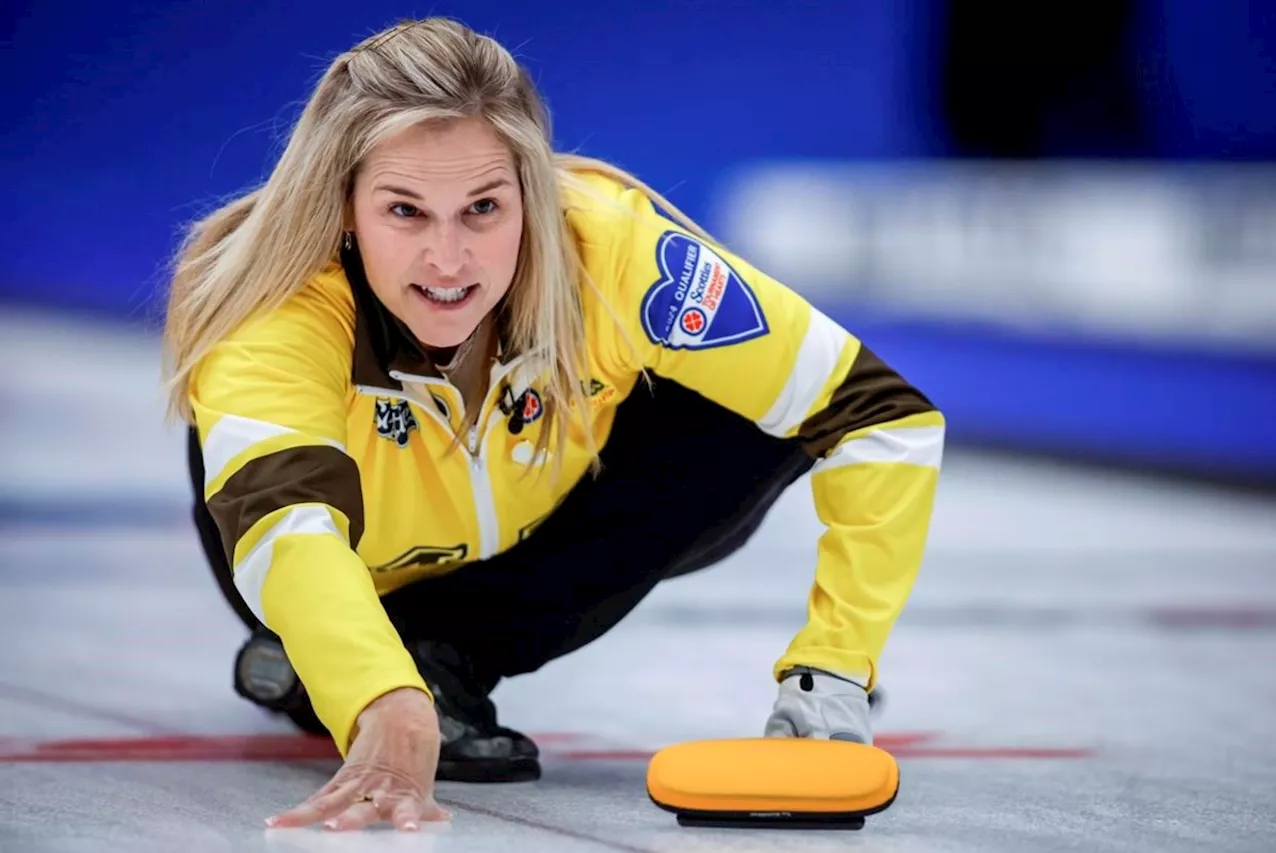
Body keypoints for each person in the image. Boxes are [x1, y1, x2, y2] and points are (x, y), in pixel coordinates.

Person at [162, 17, 945, 833]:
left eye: (483, 208)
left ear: (531, 194)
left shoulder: (613, 252)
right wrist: (379, 696)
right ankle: (328, 653)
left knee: (756, 412)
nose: (448, 260)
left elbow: (884, 413)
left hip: (526, 537)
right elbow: (285, 527)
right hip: (328, 546)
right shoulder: (273, 310)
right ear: (345, 208)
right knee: (308, 568)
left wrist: (833, 670)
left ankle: (446, 654)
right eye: (405, 210)